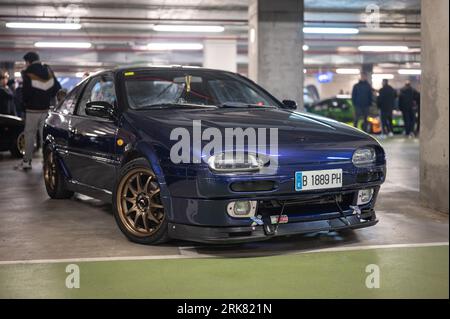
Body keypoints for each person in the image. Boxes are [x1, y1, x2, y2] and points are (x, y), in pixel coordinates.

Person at [16, 51, 61, 170]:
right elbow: (57, 88)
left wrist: (24, 104)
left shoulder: (28, 73)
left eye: (25, 62)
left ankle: (27, 161)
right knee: (45, 136)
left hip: (32, 110)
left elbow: (26, 93)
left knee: (30, 135)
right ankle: (46, 161)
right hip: (46, 109)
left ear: (28, 61)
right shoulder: (47, 70)